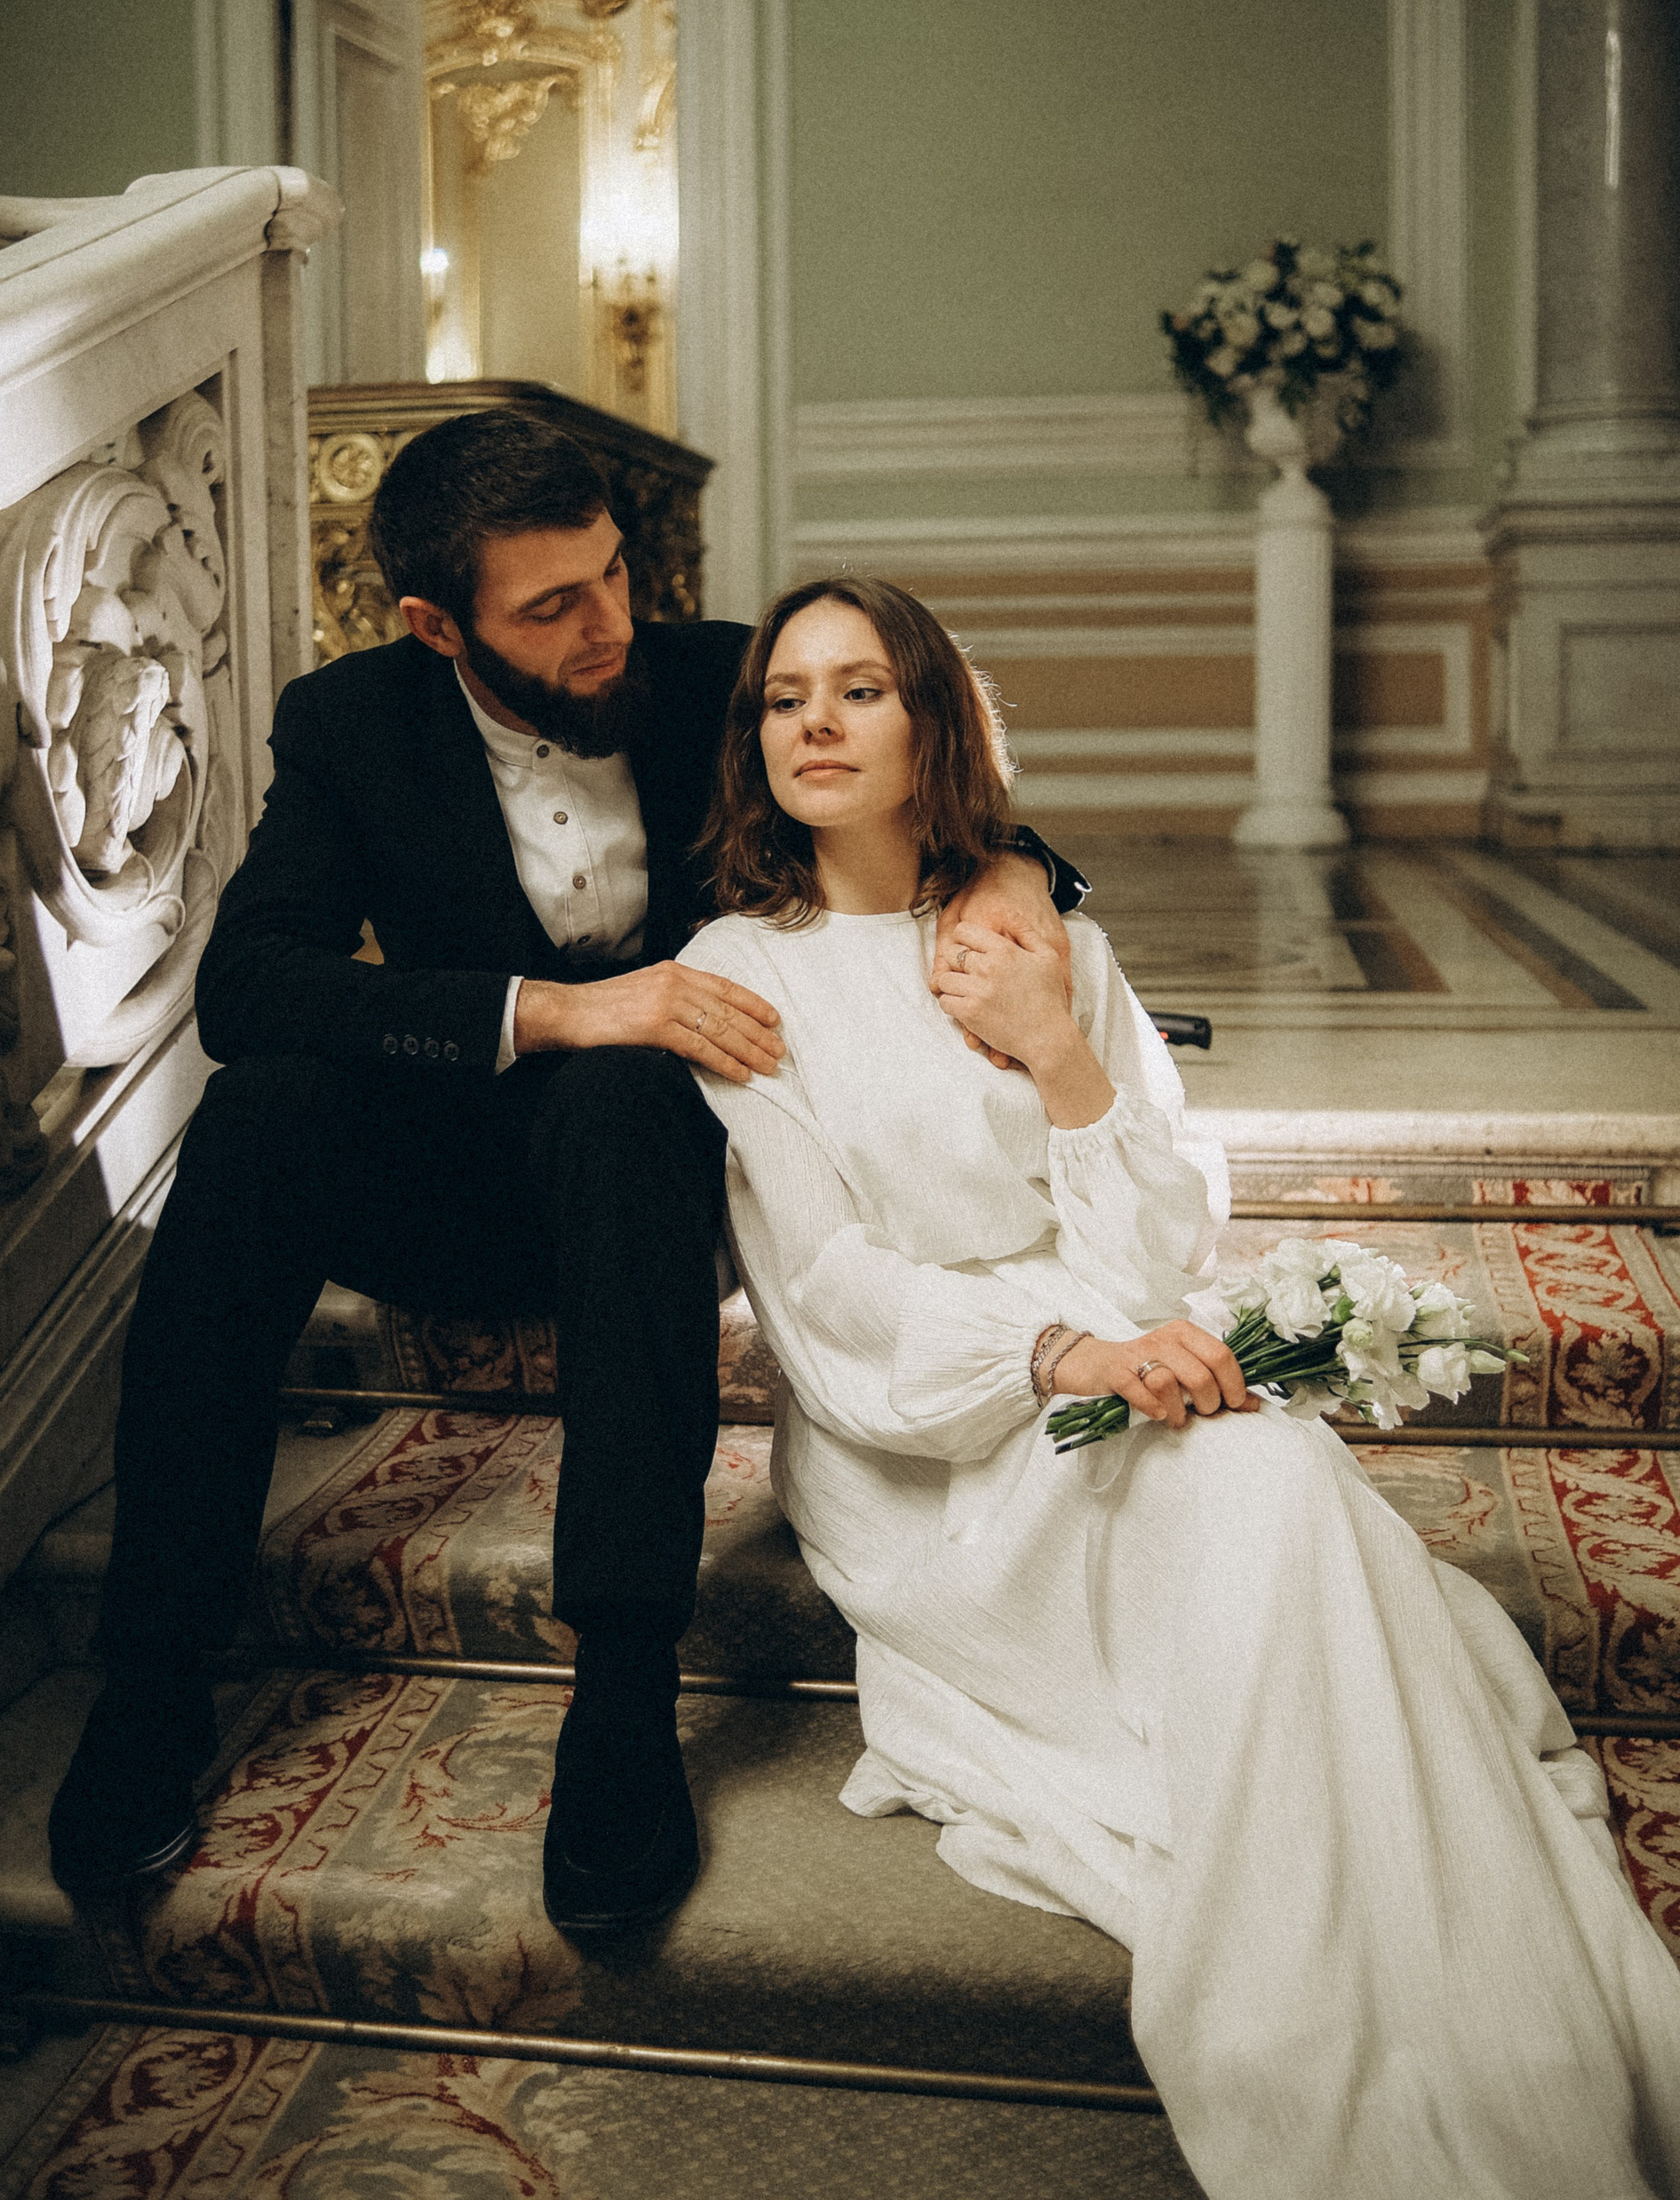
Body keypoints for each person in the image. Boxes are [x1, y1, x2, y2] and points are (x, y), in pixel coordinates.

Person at [687, 572, 1680, 2200]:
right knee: (1258, 1482)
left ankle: (1430, 1970)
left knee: (1266, 1472)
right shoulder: (740, 969)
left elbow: (1157, 1242)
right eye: (786, 698)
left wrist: (1056, 1042)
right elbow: (825, 1284)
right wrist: (1054, 1355)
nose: (817, 724)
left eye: (861, 690)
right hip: (924, 1433)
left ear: (933, 722)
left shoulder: (1046, 935)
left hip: (1118, 1330)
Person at [46, 412, 1084, 1932]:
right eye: (552, 606)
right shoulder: (352, 722)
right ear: (437, 626)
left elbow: (964, 808)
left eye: (612, 574)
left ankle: (623, 1686)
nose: (610, 625)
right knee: (258, 1112)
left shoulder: (720, 676)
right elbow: (248, 985)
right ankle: (152, 1676)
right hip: (474, 1175)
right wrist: (556, 1009)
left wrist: (1007, 870)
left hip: (681, 1181)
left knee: (626, 1096)